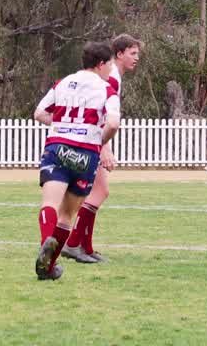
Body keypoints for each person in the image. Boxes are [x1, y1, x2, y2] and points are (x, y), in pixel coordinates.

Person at [32, 41, 122, 280]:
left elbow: (39, 113)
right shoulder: (107, 90)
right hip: (86, 153)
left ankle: (46, 249)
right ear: (101, 64)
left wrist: (62, 126)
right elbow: (113, 123)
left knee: (49, 204)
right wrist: (99, 140)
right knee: (67, 215)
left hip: (57, 147)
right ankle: (48, 265)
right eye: (110, 64)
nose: (111, 69)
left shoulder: (62, 83)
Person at [63, 33, 141, 264]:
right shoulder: (112, 78)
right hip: (91, 139)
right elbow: (101, 114)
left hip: (88, 137)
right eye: (133, 53)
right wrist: (104, 147)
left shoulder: (112, 75)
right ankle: (74, 244)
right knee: (98, 192)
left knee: (96, 192)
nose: (136, 58)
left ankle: (84, 247)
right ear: (119, 53)